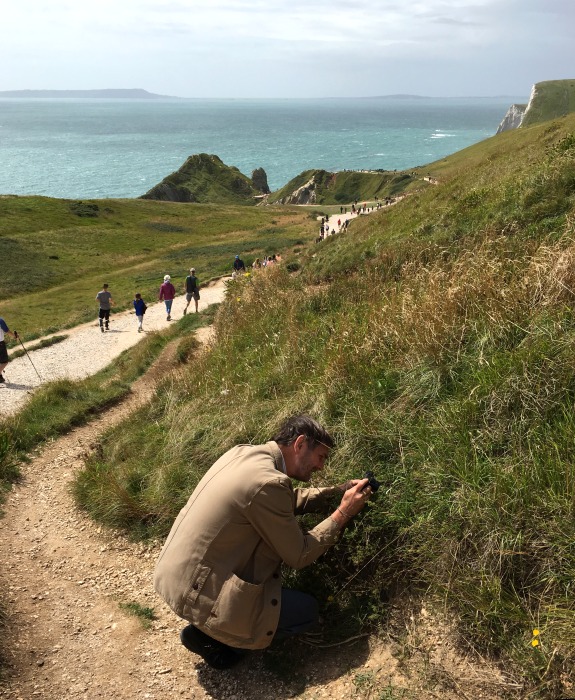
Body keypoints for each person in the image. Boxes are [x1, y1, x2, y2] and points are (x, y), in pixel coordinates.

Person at [154, 414, 372, 670]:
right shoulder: (268, 482)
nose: (322, 466)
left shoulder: (244, 454)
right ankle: (224, 643)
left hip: (175, 577)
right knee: (306, 612)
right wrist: (344, 512)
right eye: (321, 457)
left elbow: (283, 499)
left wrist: (336, 492)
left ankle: (209, 628)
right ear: (300, 444)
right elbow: (299, 555)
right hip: (195, 592)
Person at [0, 316, 18, 383]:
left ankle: (0, 377)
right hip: (0, 344)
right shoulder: (0, 320)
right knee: (4, 361)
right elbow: (6, 330)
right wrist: (14, 336)